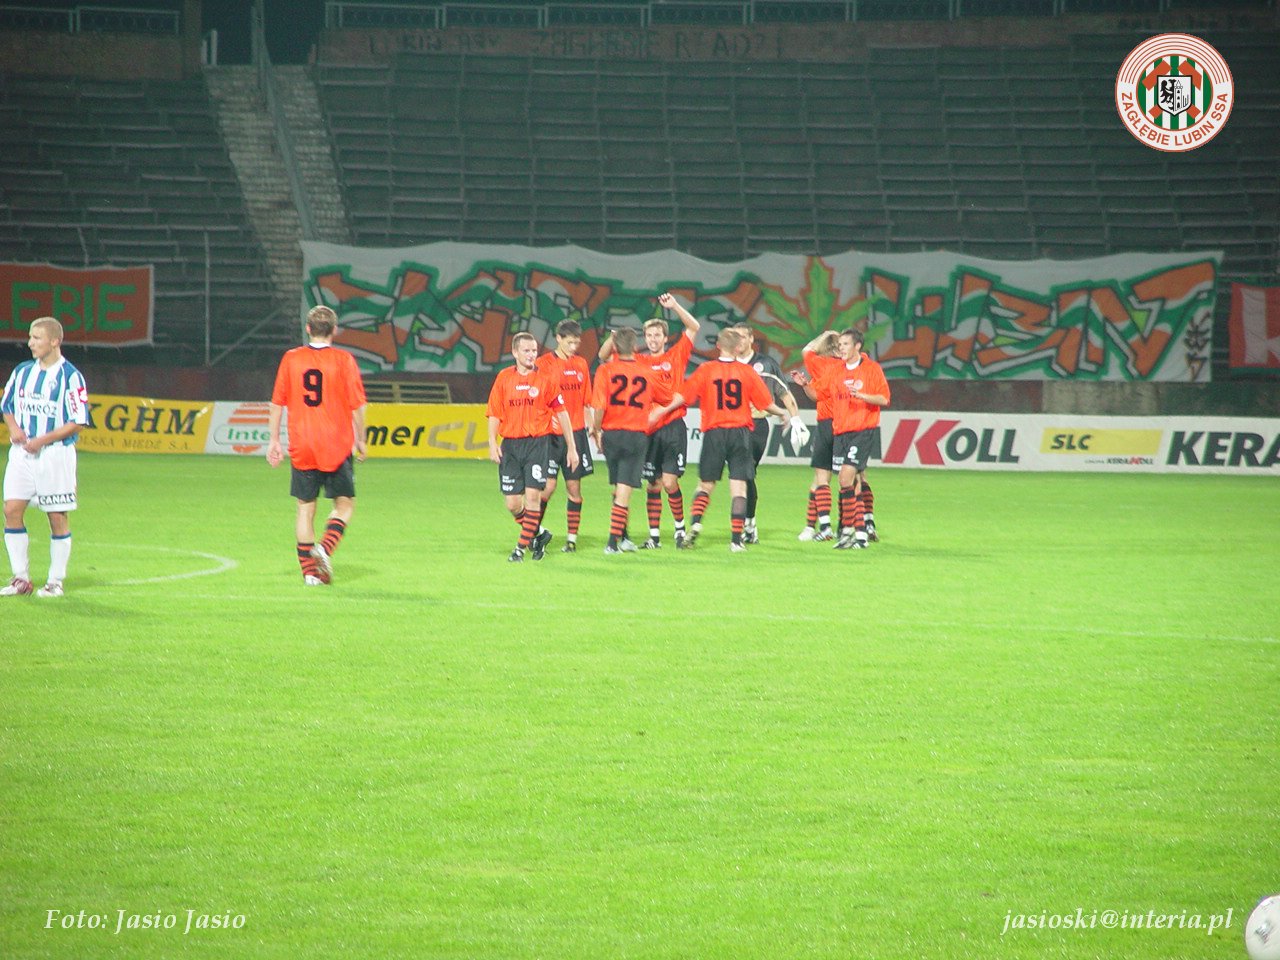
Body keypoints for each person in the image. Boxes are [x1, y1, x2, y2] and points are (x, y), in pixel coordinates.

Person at [647, 327, 789, 552]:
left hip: (714, 433)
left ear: (718, 346)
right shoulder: (747, 372)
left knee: (705, 485)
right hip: (740, 434)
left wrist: (661, 411)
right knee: (739, 488)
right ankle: (736, 541)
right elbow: (766, 404)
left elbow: (683, 396)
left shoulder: (706, 370)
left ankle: (695, 525)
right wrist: (783, 413)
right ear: (737, 348)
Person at [267, 305, 368, 585]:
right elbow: (358, 405)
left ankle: (310, 575)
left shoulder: (291, 359)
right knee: (345, 505)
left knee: (305, 508)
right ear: (334, 330)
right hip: (336, 444)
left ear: (308, 328)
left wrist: (274, 440)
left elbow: (277, 403)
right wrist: (361, 438)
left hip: (302, 444)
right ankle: (324, 548)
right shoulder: (344, 360)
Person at [599, 291, 699, 549]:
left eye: (657, 335)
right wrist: (614, 338)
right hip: (647, 430)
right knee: (652, 484)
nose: (653, 339)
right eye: (649, 335)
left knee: (670, 482)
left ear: (665, 338)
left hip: (672, 426)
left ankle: (679, 529)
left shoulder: (675, 356)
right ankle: (654, 537)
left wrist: (675, 306)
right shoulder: (638, 361)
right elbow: (603, 355)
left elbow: (693, 327)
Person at [1, 317, 89, 598]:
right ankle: (21, 578)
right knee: (11, 510)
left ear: (54, 341)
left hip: (55, 455)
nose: (30, 343)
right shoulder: (22, 372)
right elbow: (7, 404)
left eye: (37, 338)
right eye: (30, 337)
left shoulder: (71, 376)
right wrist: (14, 428)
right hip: (21, 455)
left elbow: (78, 420)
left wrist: (42, 440)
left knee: (57, 517)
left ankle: (55, 581)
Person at [487, 331, 579, 562]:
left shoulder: (545, 379)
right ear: (515, 352)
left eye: (534, 351)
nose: (531, 355)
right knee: (512, 503)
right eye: (526, 351)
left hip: (537, 445)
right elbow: (494, 412)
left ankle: (519, 549)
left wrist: (571, 447)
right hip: (510, 446)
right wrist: (492, 442)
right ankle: (539, 534)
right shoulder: (504, 378)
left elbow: (562, 413)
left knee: (533, 498)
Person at [811, 328, 890, 550]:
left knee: (847, 477)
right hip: (840, 432)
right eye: (839, 345)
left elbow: (884, 398)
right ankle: (855, 533)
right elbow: (819, 394)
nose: (841, 348)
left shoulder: (872, 369)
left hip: (862, 431)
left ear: (857, 346)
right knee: (847, 482)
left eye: (845, 344)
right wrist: (804, 385)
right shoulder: (836, 370)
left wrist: (863, 396)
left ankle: (852, 532)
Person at [731, 322, 799, 544]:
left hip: (756, 426)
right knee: (742, 475)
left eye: (742, 336)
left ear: (751, 339)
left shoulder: (766, 364)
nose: (739, 341)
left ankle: (748, 525)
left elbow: (784, 393)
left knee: (745, 473)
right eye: (735, 337)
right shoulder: (728, 363)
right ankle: (748, 525)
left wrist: (795, 418)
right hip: (731, 427)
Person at [590, 326, 654, 555]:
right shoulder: (647, 371)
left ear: (615, 347)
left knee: (618, 488)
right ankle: (611, 543)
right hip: (635, 435)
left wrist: (596, 429)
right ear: (635, 346)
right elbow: (663, 398)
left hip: (612, 435)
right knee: (624, 490)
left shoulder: (605, 370)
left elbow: (599, 406)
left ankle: (624, 537)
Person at [534, 320, 594, 553]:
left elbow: (586, 400)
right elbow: (536, 397)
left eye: (577, 342)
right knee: (547, 487)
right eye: (569, 342)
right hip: (551, 436)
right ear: (558, 339)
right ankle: (534, 533)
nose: (573, 346)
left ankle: (571, 540)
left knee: (574, 488)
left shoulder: (581, 364)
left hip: (576, 434)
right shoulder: (543, 364)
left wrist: (593, 427)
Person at [794, 330, 844, 541]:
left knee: (821, 478)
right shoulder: (850, 366)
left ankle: (817, 526)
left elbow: (807, 349)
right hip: (848, 424)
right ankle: (854, 526)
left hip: (827, 423)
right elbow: (815, 394)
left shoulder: (819, 364)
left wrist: (826, 334)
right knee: (852, 478)